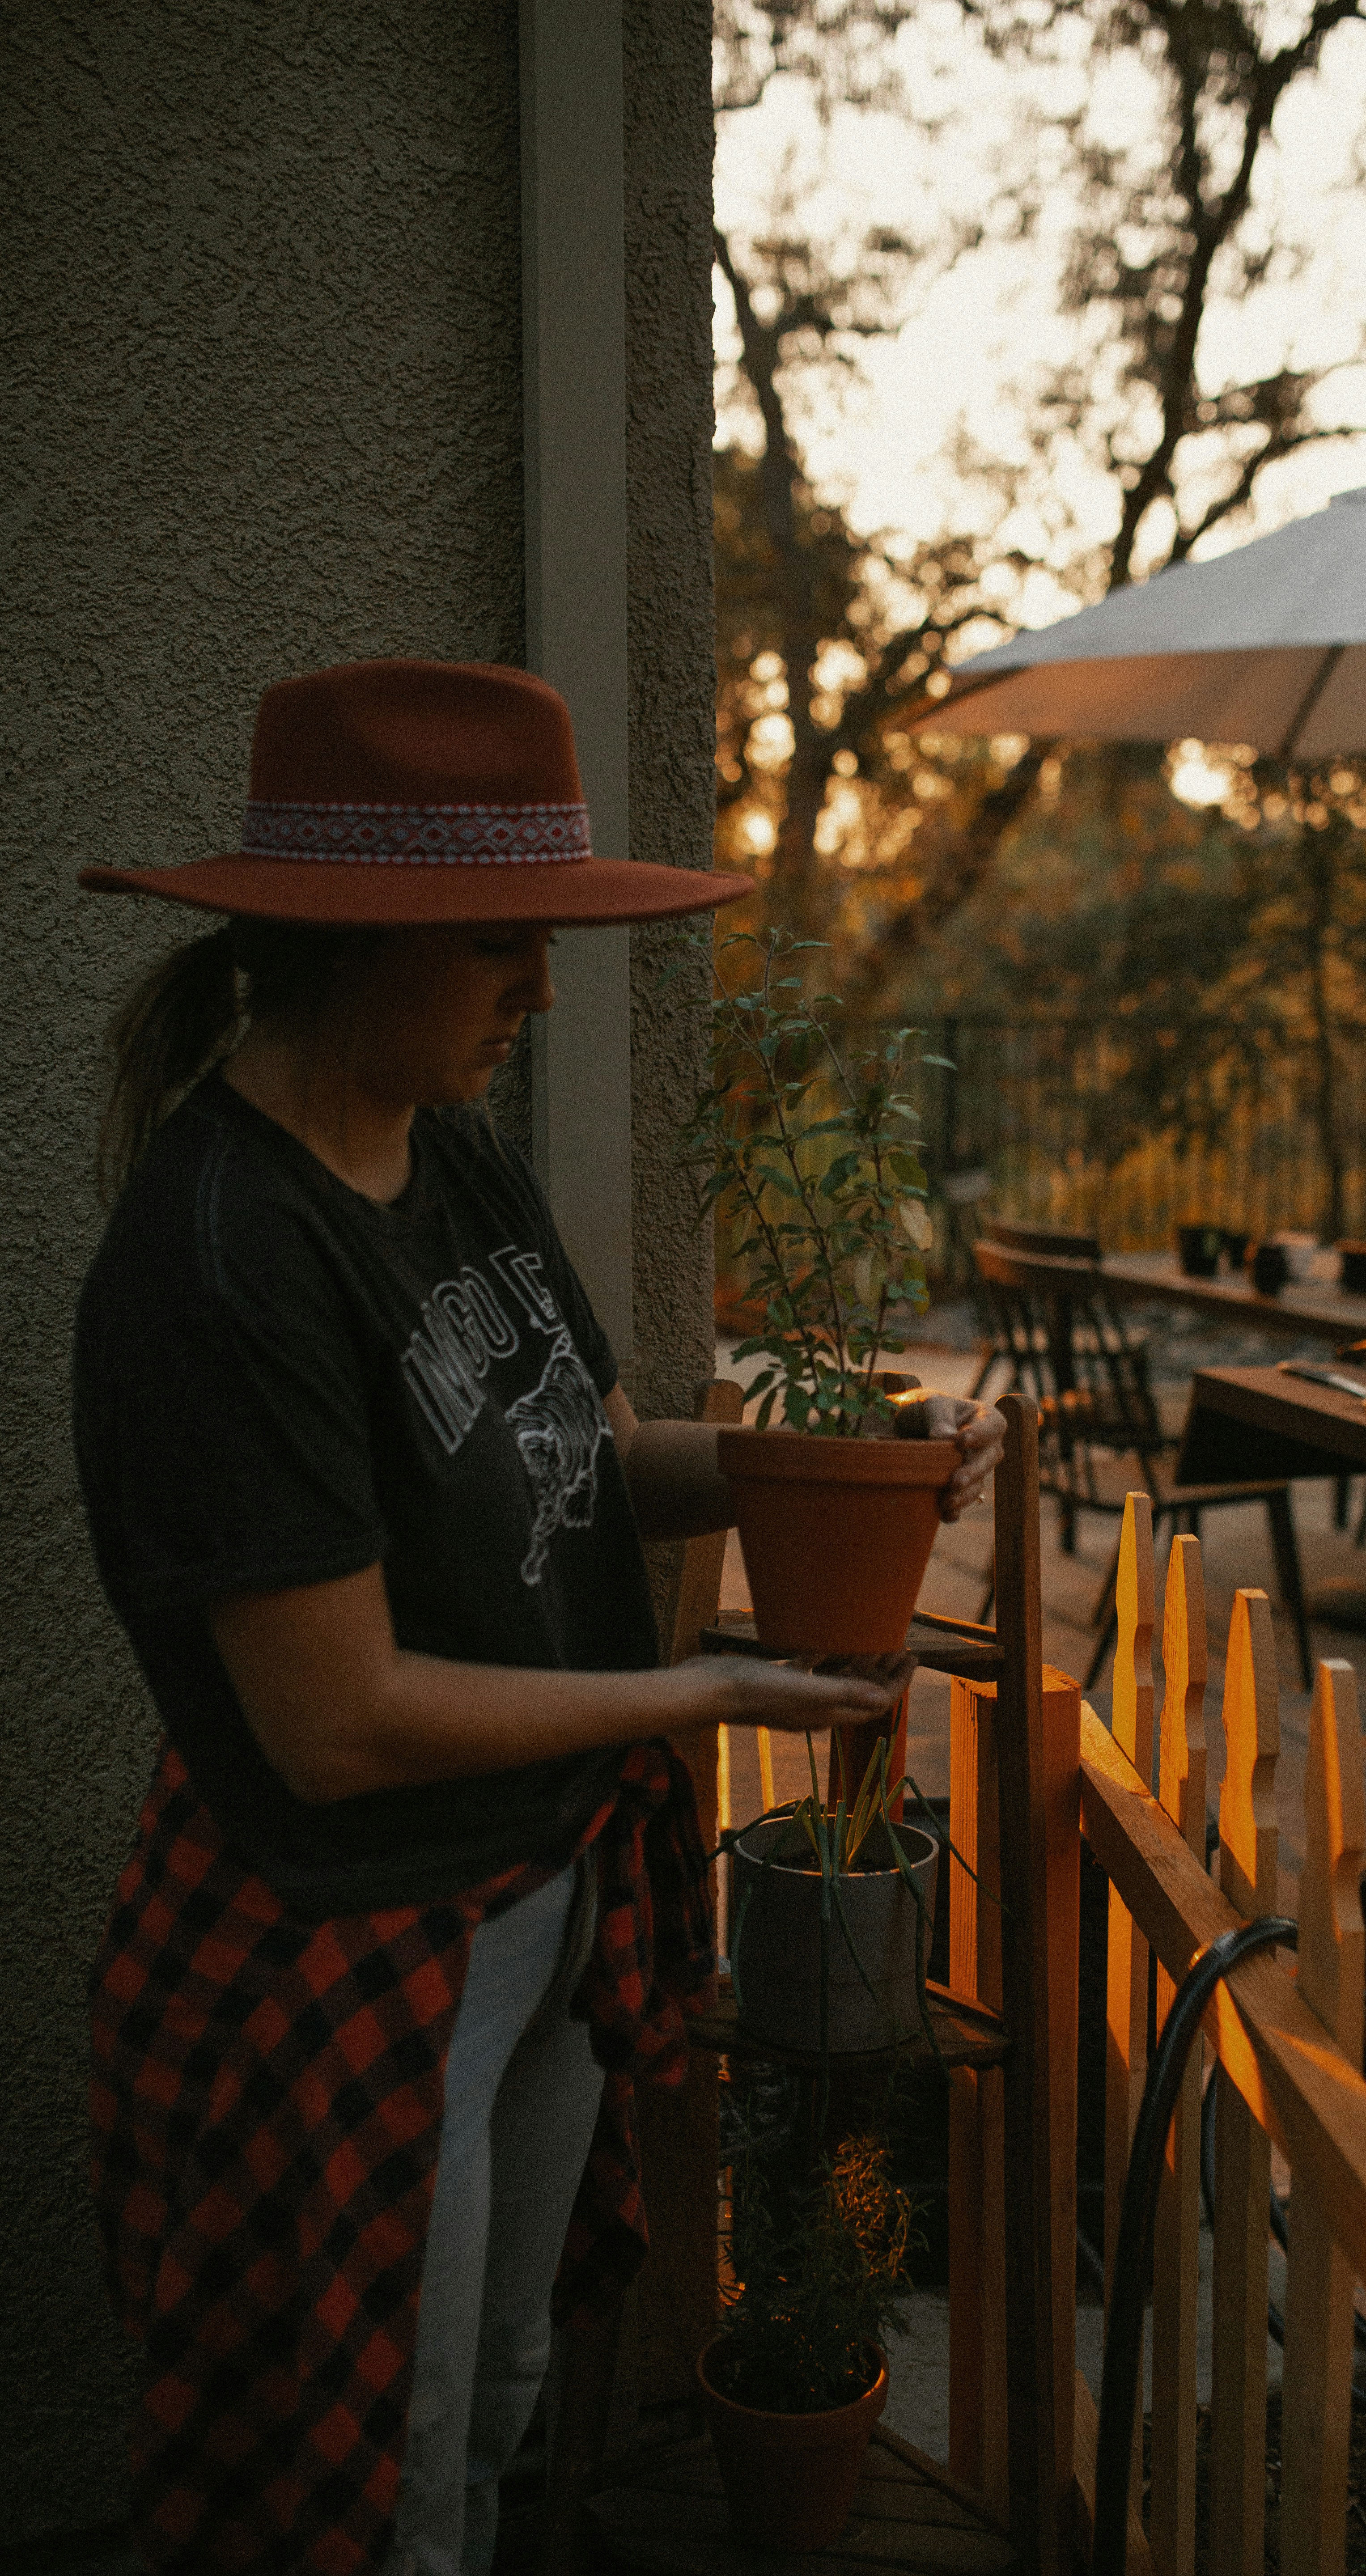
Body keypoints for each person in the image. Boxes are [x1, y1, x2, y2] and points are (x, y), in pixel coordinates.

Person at [73, 657, 1004, 2576]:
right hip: (362, 1944)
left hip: (543, 1886)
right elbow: (338, 1724)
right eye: (509, 943)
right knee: (377, 2476)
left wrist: (834, 1468)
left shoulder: (453, 1147)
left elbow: (609, 1452)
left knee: (494, 2398)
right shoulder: (222, 1259)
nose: (547, 990)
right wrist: (701, 1691)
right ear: (354, 938)